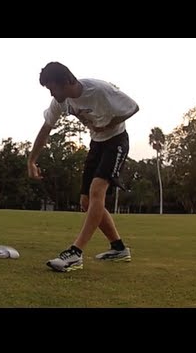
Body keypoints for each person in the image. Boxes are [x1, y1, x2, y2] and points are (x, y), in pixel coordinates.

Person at [27, 62, 139, 272]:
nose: (51, 93)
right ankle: (119, 248)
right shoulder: (60, 101)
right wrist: (31, 160)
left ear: (67, 80)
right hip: (96, 144)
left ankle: (75, 253)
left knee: (97, 190)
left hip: (116, 141)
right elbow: (45, 129)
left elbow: (133, 107)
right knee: (87, 202)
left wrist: (110, 123)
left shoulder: (99, 90)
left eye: (53, 87)